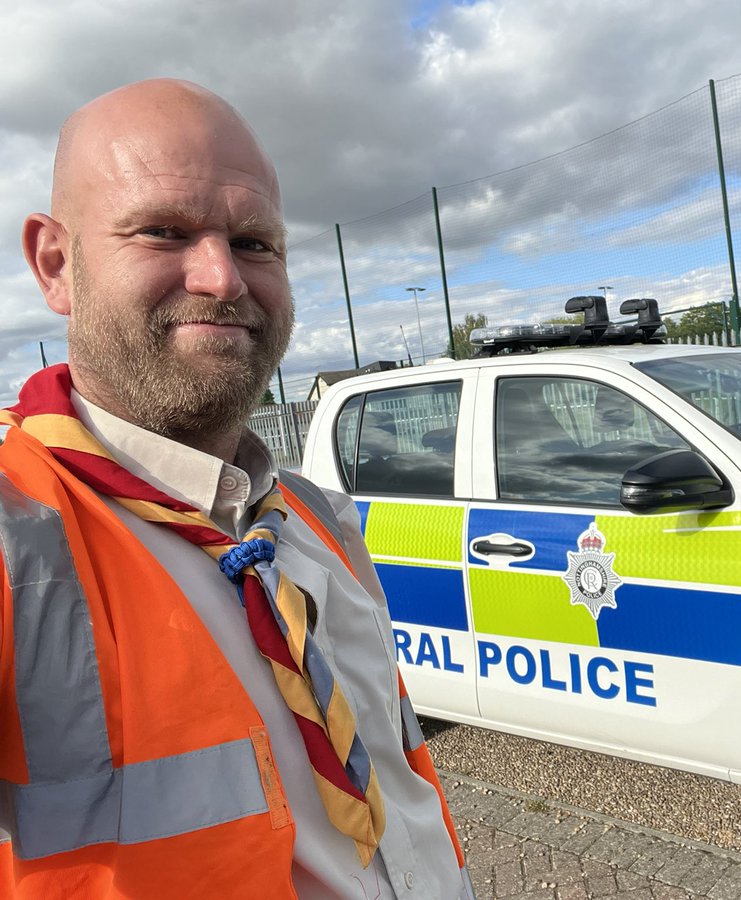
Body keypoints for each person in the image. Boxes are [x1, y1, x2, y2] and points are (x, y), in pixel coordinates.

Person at [0, 79, 474, 899]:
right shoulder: (16, 533)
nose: (222, 277)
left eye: (255, 243)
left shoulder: (313, 517)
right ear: (56, 264)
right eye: (162, 231)